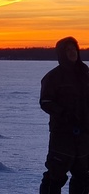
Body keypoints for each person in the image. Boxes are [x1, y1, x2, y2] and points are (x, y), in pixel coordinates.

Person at [39, 37, 89, 194]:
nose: (72, 53)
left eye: (74, 49)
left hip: (85, 133)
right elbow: (45, 101)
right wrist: (64, 114)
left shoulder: (85, 73)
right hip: (62, 133)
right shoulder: (53, 76)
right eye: (67, 50)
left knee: (83, 175)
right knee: (55, 175)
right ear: (61, 53)